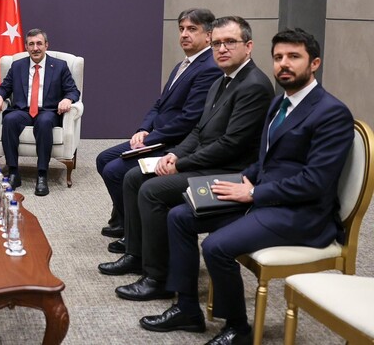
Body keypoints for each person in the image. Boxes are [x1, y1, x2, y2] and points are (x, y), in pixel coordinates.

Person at [141, 28, 354, 345]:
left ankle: (238, 328)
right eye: (278, 57)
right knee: (179, 216)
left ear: (315, 64)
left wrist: (252, 192)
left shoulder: (331, 113)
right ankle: (187, 309)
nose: (284, 64)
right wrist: (245, 178)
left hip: (301, 214)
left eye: (294, 57)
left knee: (216, 246)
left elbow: (315, 182)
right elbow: (266, 159)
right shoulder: (280, 103)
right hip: (263, 198)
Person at [99, 16, 274, 303]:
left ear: (249, 46)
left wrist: (181, 164)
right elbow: (198, 130)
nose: (222, 49)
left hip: (229, 173)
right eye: (217, 43)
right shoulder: (222, 80)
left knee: (152, 190)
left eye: (230, 42)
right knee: (133, 177)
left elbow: (230, 146)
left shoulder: (254, 85)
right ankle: (137, 254)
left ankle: (157, 278)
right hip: (205, 161)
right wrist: (175, 154)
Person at [96, 8, 222, 238]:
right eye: (181, 29)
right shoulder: (183, 64)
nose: (184, 34)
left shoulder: (209, 68)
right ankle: (127, 221)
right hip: (157, 136)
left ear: (208, 35)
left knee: (115, 170)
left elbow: (189, 120)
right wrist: (143, 129)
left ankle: (134, 232)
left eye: (192, 29)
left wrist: (149, 139)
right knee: (103, 159)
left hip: (174, 144)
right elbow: (159, 104)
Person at [0, 28, 81, 196]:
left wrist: (68, 99)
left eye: (39, 43)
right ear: (26, 47)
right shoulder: (17, 66)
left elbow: (73, 91)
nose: (35, 48)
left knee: (44, 122)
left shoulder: (59, 66)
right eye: (31, 44)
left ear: (46, 45)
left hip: (48, 111)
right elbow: (5, 87)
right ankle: (13, 172)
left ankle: (42, 175)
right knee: (9, 120)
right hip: (23, 110)